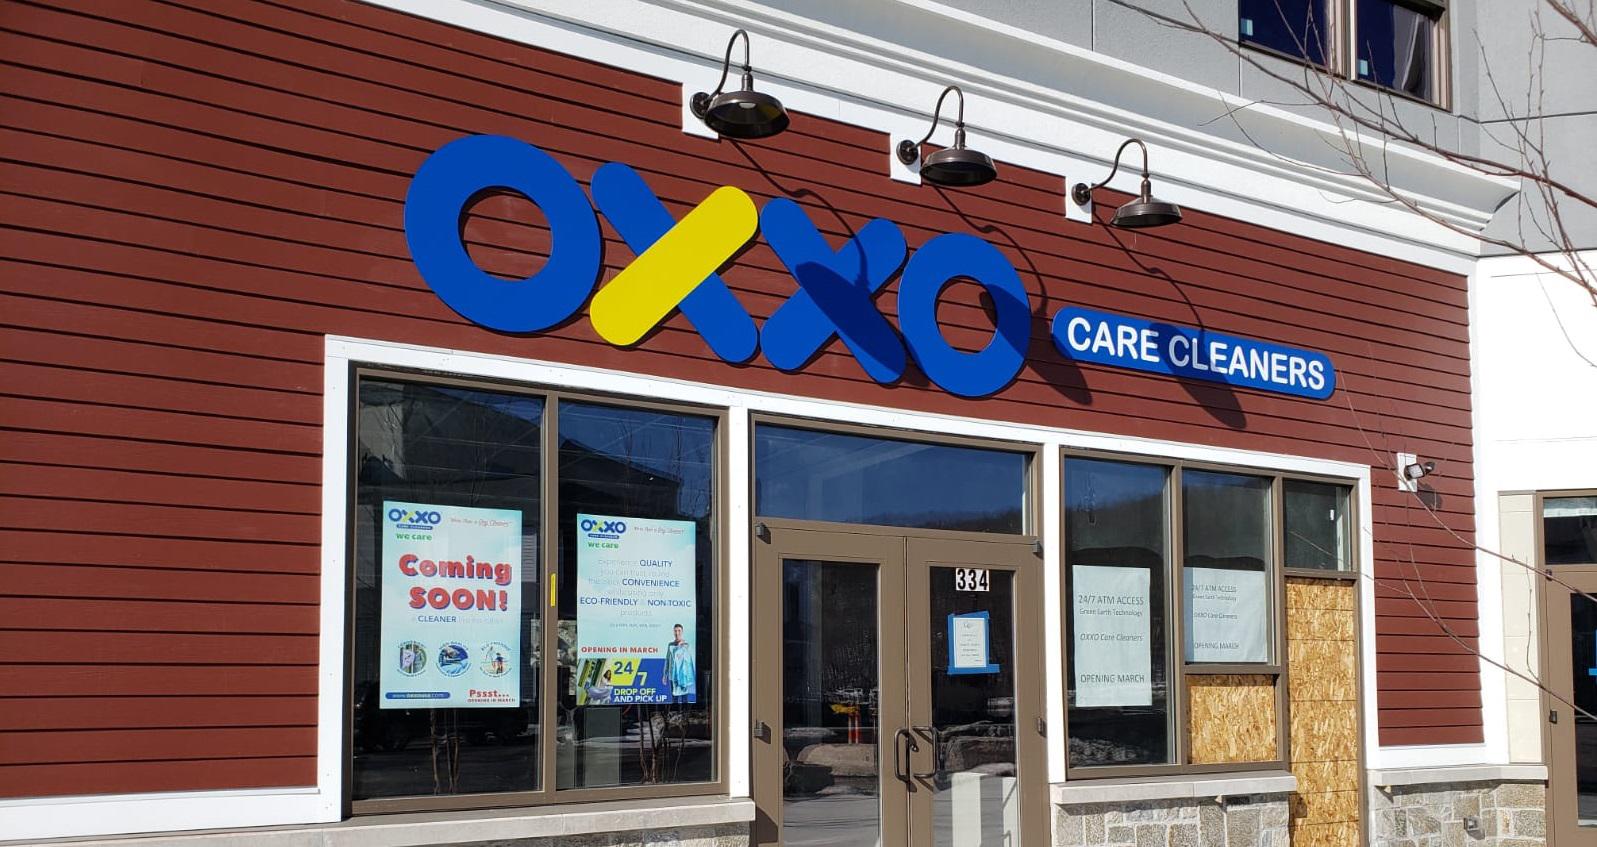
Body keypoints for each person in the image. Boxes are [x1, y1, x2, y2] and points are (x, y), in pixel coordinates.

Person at [664, 624, 695, 704]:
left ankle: (685, 712)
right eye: (675, 631)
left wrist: (680, 646)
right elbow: (667, 660)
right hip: (672, 676)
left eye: (679, 631)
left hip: (683, 676)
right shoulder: (670, 645)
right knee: (674, 698)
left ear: (682, 632)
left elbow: (688, 662)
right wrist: (665, 675)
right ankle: (675, 712)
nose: (677, 633)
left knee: (684, 698)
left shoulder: (686, 645)